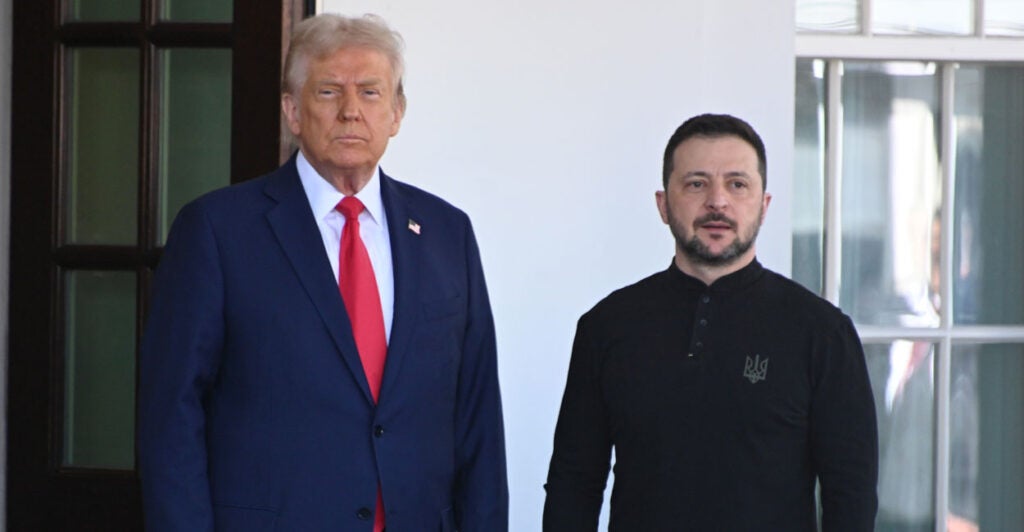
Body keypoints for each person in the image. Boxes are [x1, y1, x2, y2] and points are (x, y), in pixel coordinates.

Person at [138, 13, 508, 532]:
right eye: (330, 92)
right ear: (293, 110)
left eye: (372, 93)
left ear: (397, 113)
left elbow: (478, 419)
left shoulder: (448, 233)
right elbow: (170, 418)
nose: (351, 111)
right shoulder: (217, 231)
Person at [543, 113, 878, 530]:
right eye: (696, 183)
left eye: (737, 184)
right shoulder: (607, 327)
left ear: (763, 204)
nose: (717, 201)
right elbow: (573, 483)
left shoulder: (822, 332)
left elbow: (851, 495)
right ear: (663, 204)